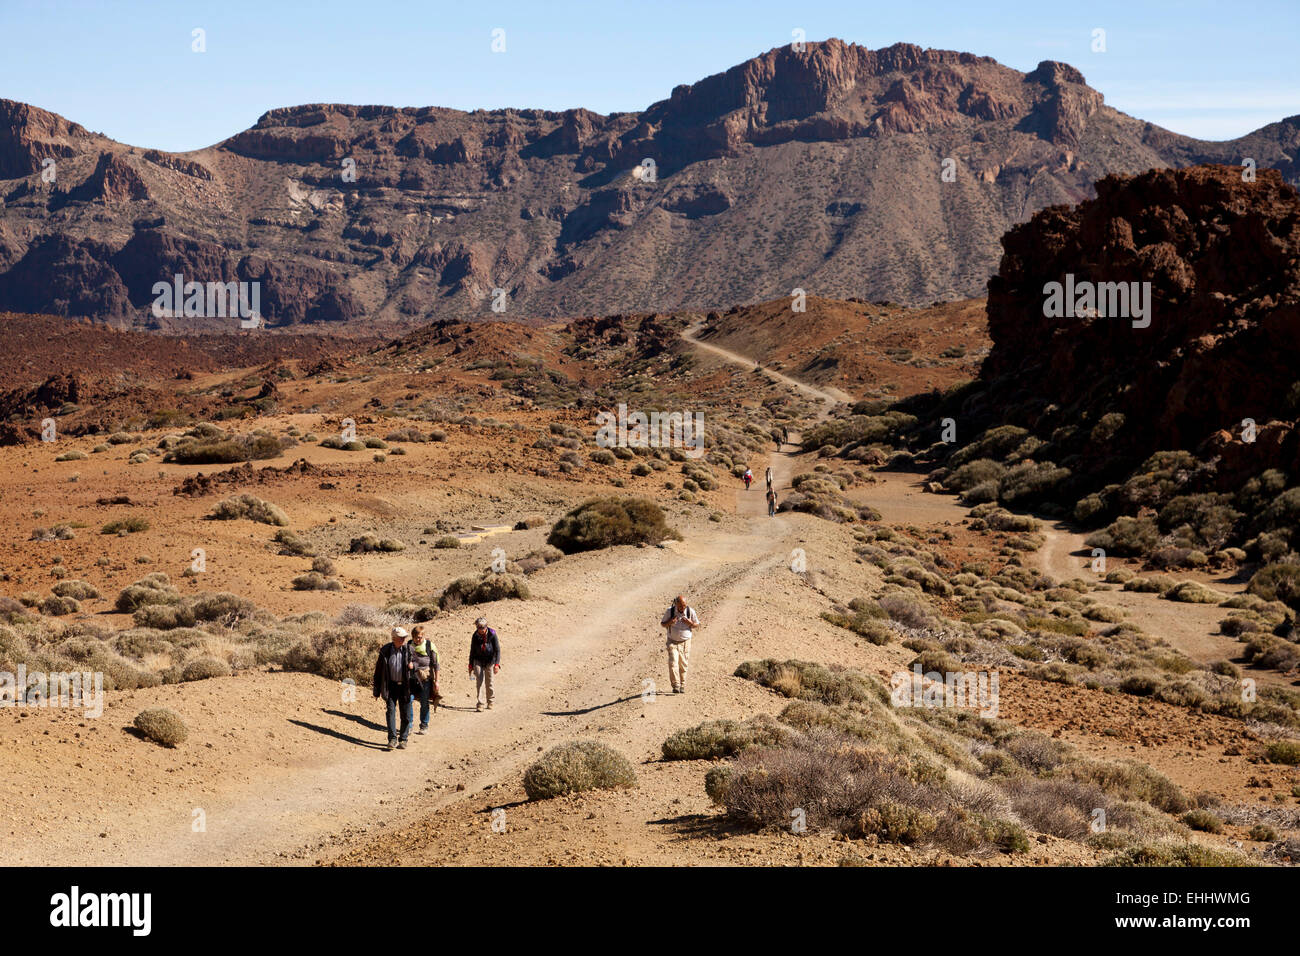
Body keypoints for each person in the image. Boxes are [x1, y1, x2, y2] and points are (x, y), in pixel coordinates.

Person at [372, 626, 414, 751]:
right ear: (394, 638)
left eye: (404, 637)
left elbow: (418, 663)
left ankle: (404, 739)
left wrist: (413, 665)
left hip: (405, 687)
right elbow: (378, 671)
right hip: (390, 686)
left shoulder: (409, 650)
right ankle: (392, 739)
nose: (403, 640)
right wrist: (376, 690)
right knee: (390, 712)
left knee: (405, 713)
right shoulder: (385, 650)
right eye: (401, 638)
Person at [660, 594, 701, 694]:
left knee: (683, 663)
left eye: (684, 606)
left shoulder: (690, 611)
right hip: (672, 641)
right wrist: (670, 621)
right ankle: (676, 685)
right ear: (676, 604)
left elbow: (697, 624)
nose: (682, 608)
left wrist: (690, 623)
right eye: (680, 606)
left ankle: (682, 684)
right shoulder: (670, 611)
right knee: (673, 662)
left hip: (685, 642)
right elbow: (663, 624)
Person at [410, 623, 440, 733]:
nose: (418, 639)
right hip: (412, 678)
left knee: (424, 701)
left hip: (425, 677)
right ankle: (409, 725)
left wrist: (437, 681)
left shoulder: (429, 646)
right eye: (416, 637)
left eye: (420, 637)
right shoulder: (409, 645)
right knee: (409, 700)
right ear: (412, 637)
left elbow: (436, 664)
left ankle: (424, 725)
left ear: (423, 636)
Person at [467, 617, 501, 712]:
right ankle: (480, 703)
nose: (480, 630)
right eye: (478, 627)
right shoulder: (475, 635)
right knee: (479, 682)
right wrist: (470, 665)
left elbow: (497, 650)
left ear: (486, 626)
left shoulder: (492, 634)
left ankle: (490, 701)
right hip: (478, 660)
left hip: (490, 660)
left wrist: (497, 664)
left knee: (489, 682)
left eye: (482, 628)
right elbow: (472, 651)